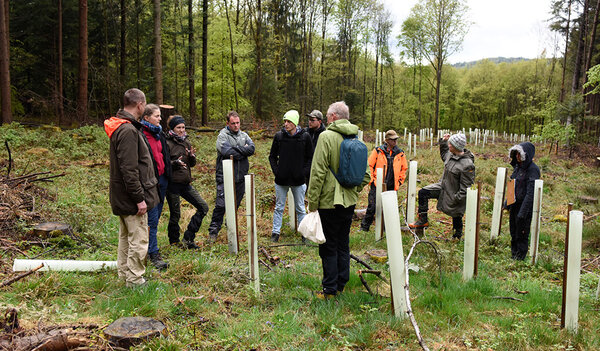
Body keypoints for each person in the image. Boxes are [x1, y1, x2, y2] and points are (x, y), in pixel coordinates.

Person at [306, 101, 370, 299]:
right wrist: (353, 190)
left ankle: (329, 289)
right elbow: (366, 175)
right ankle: (342, 283)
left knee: (328, 246)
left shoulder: (326, 137)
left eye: (327, 115)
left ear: (334, 116)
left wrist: (312, 202)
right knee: (343, 243)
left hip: (328, 202)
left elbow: (317, 172)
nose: (326, 118)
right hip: (349, 202)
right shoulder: (356, 138)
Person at [104, 88, 159, 288]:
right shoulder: (127, 130)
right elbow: (129, 169)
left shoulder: (124, 126)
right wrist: (139, 198)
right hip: (130, 197)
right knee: (138, 239)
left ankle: (125, 276)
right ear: (140, 105)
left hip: (123, 196)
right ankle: (135, 280)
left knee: (126, 238)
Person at [409, 133, 475, 239]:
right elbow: (444, 154)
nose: (449, 145)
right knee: (423, 192)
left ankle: (457, 236)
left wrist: (456, 198)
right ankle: (423, 220)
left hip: (454, 192)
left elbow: (466, 187)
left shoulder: (467, 165)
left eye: (450, 144)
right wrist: (444, 141)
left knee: (456, 213)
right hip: (443, 187)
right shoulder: (450, 154)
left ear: (456, 147)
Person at [207, 111, 255, 243]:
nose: (236, 125)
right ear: (227, 123)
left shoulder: (244, 135)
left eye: (238, 123)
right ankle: (213, 231)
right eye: (233, 123)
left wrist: (236, 150)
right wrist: (242, 150)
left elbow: (252, 149)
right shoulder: (222, 135)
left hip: (241, 177)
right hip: (225, 177)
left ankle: (231, 229)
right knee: (221, 205)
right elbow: (225, 151)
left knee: (235, 205)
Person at [164, 115, 209, 249]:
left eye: (183, 127)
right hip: (172, 185)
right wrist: (174, 163)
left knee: (203, 207)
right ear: (172, 128)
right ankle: (174, 242)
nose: (182, 130)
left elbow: (192, 164)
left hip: (186, 183)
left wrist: (191, 157)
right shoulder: (167, 143)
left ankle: (188, 238)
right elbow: (163, 164)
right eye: (178, 127)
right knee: (175, 214)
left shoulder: (186, 142)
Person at [268, 110, 313, 242]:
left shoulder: (305, 137)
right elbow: (272, 156)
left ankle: (304, 234)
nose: (286, 124)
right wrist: (277, 171)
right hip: (281, 180)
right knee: (279, 207)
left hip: (298, 180)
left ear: (295, 123)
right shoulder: (279, 137)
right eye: (285, 121)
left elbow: (310, 158)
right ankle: (275, 233)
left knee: (300, 207)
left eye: (289, 121)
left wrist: (303, 173)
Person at [140, 104, 170, 269]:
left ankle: (148, 247)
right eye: (157, 116)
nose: (160, 119)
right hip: (150, 183)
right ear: (146, 118)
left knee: (156, 218)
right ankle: (153, 253)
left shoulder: (159, 134)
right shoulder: (142, 135)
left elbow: (162, 155)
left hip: (162, 180)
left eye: (160, 116)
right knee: (151, 219)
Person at [360, 130, 408, 232]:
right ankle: (364, 228)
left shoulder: (400, 153)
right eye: (392, 139)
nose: (395, 141)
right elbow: (369, 165)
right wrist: (372, 180)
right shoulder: (378, 151)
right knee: (372, 207)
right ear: (387, 140)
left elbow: (404, 169)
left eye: (396, 139)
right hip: (377, 184)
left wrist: (399, 181)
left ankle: (387, 230)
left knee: (389, 209)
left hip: (392, 186)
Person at [505, 142, 540, 260]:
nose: (517, 157)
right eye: (516, 155)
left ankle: (520, 257)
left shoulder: (533, 170)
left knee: (522, 232)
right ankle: (513, 254)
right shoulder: (517, 167)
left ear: (526, 155)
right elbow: (512, 185)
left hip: (524, 206)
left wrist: (523, 212)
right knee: (513, 230)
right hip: (514, 204)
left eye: (519, 154)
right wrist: (507, 203)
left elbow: (531, 193)